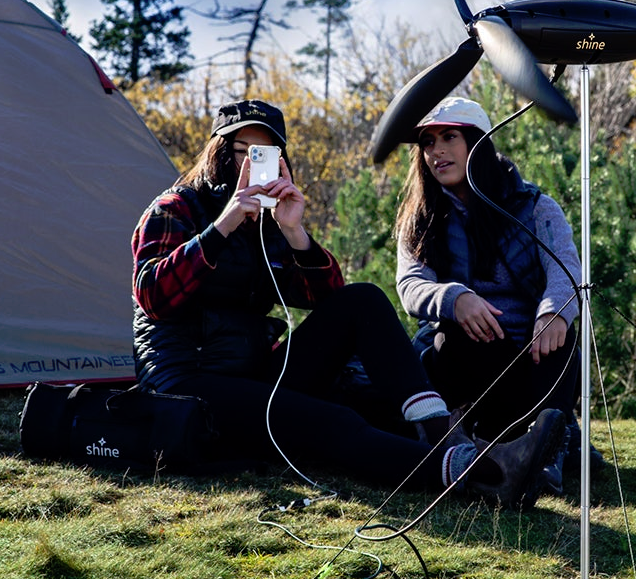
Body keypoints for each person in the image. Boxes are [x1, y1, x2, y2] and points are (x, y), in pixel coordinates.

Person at [132, 98, 565, 508]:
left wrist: (295, 233)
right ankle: (478, 474)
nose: (250, 165)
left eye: (264, 154)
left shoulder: (264, 226)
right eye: (241, 151)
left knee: (364, 300)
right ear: (217, 153)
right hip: (187, 382)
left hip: (254, 373)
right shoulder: (175, 207)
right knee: (333, 422)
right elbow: (152, 295)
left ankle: (444, 433)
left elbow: (329, 302)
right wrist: (225, 223)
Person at [395, 96, 598, 495]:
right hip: (465, 359)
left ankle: (550, 444)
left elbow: (567, 270)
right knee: (453, 335)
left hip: (531, 353)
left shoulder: (536, 207)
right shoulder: (419, 216)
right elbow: (410, 286)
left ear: (477, 144)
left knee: (564, 337)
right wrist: (456, 299)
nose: (436, 151)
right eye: (428, 142)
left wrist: (553, 313)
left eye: (449, 137)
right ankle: (489, 439)